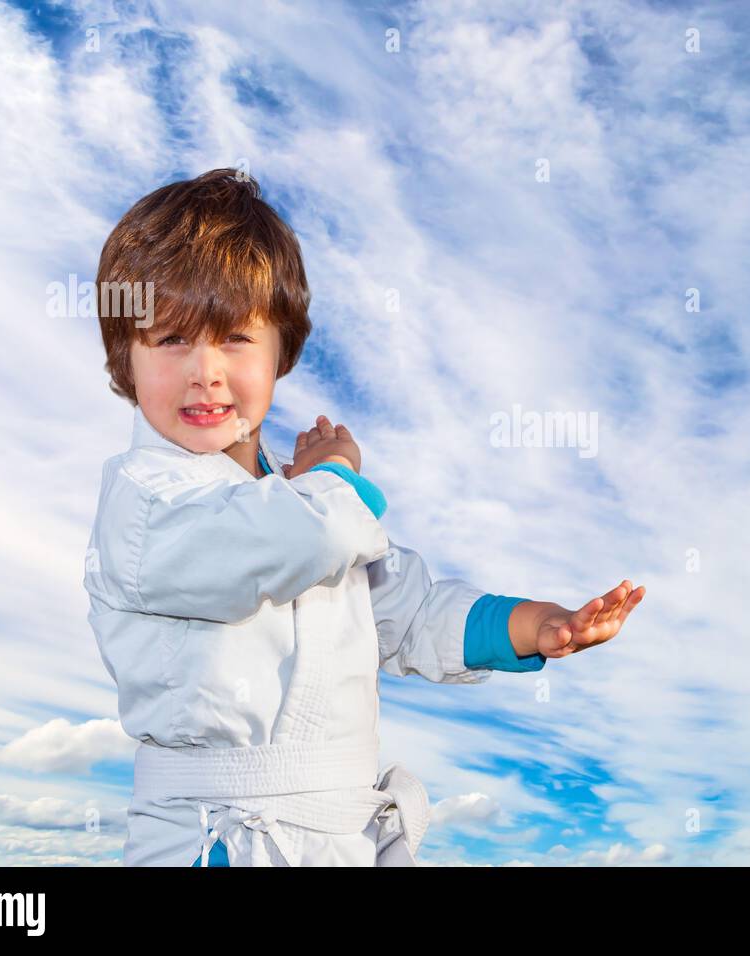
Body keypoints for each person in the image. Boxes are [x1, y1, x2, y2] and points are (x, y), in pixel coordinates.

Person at [83, 168, 645, 866]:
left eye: (234, 338)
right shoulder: (146, 497)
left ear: (281, 351)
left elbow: (407, 610)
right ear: (124, 360)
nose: (206, 371)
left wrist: (539, 627)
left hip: (341, 836)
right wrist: (334, 476)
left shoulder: (301, 503)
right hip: (217, 838)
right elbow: (300, 535)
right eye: (170, 340)